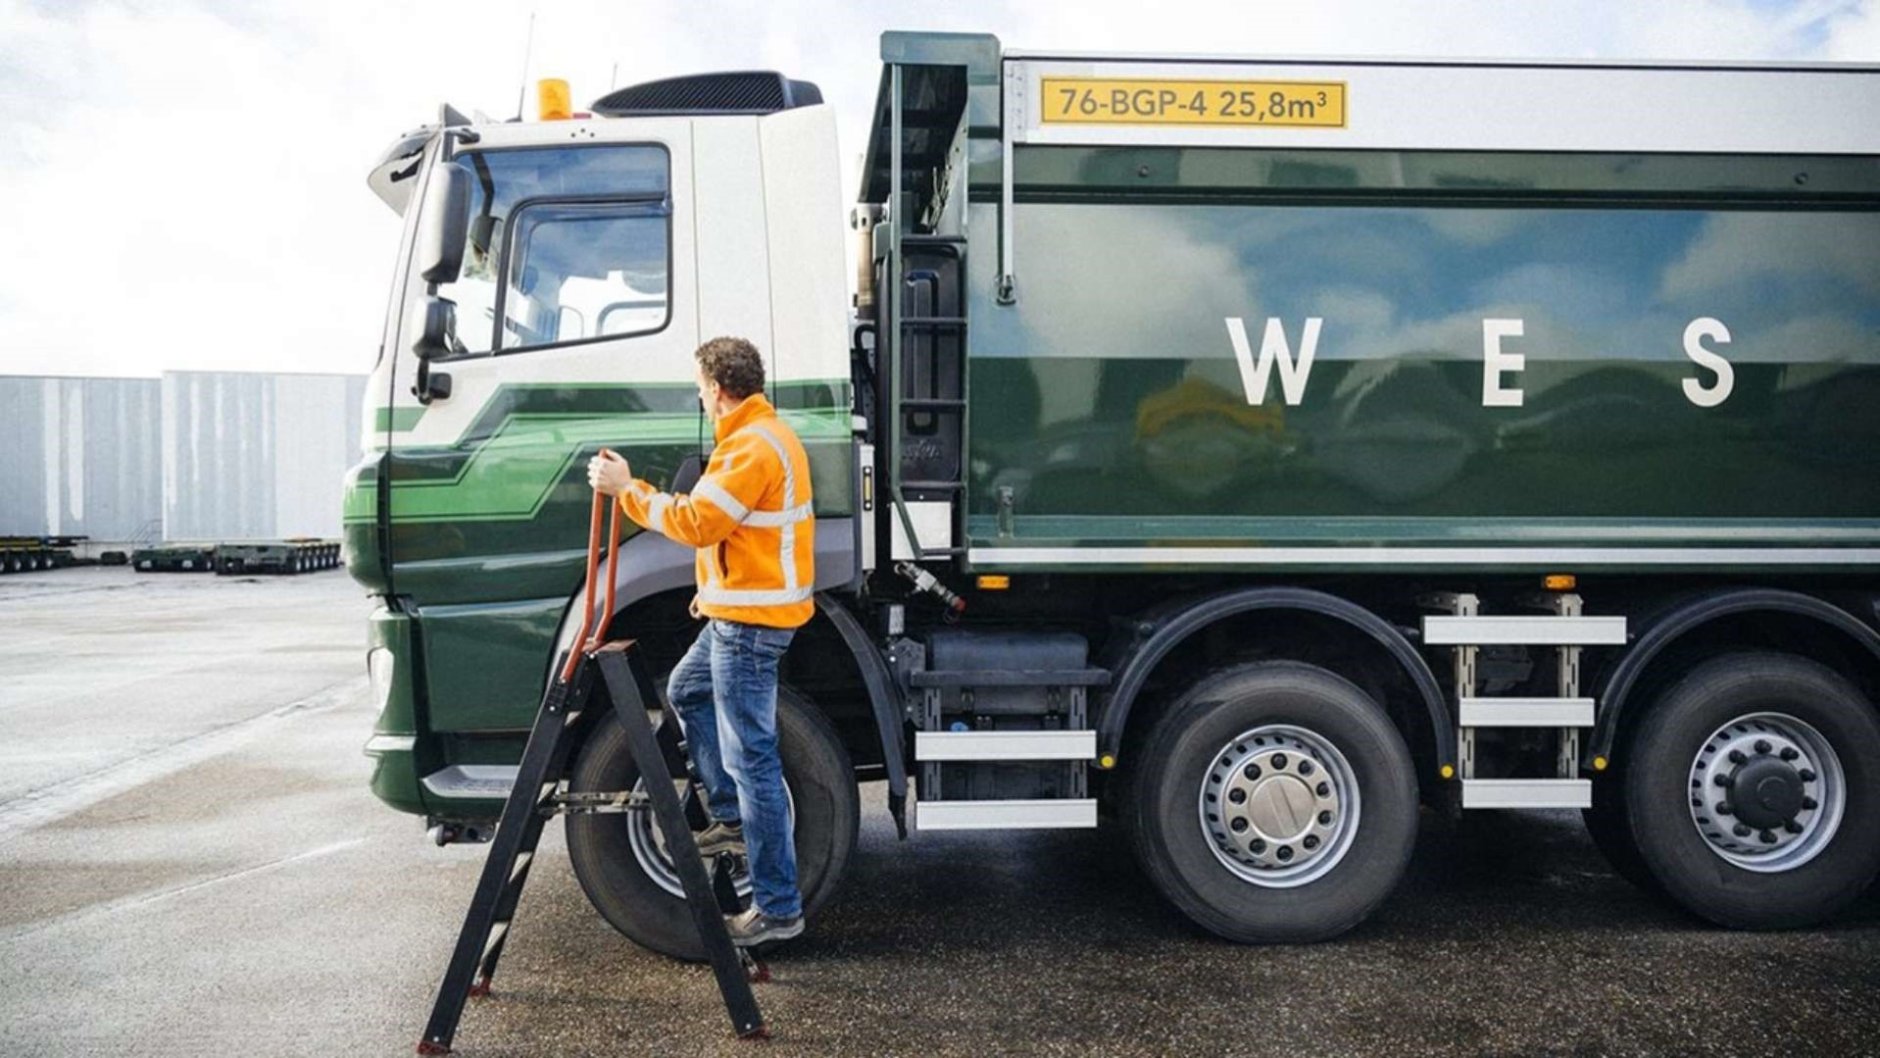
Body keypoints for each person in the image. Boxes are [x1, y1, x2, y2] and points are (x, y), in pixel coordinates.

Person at [586, 336, 815, 946]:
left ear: (716, 388)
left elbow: (697, 523)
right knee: (688, 691)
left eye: (699, 386)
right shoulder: (760, 436)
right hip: (739, 614)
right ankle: (731, 818)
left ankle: (778, 908)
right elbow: (741, 539)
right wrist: (712, 594)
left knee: (752, 760)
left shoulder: (749, 447)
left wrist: (625, 489)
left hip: (748, 627)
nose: (698, 395)